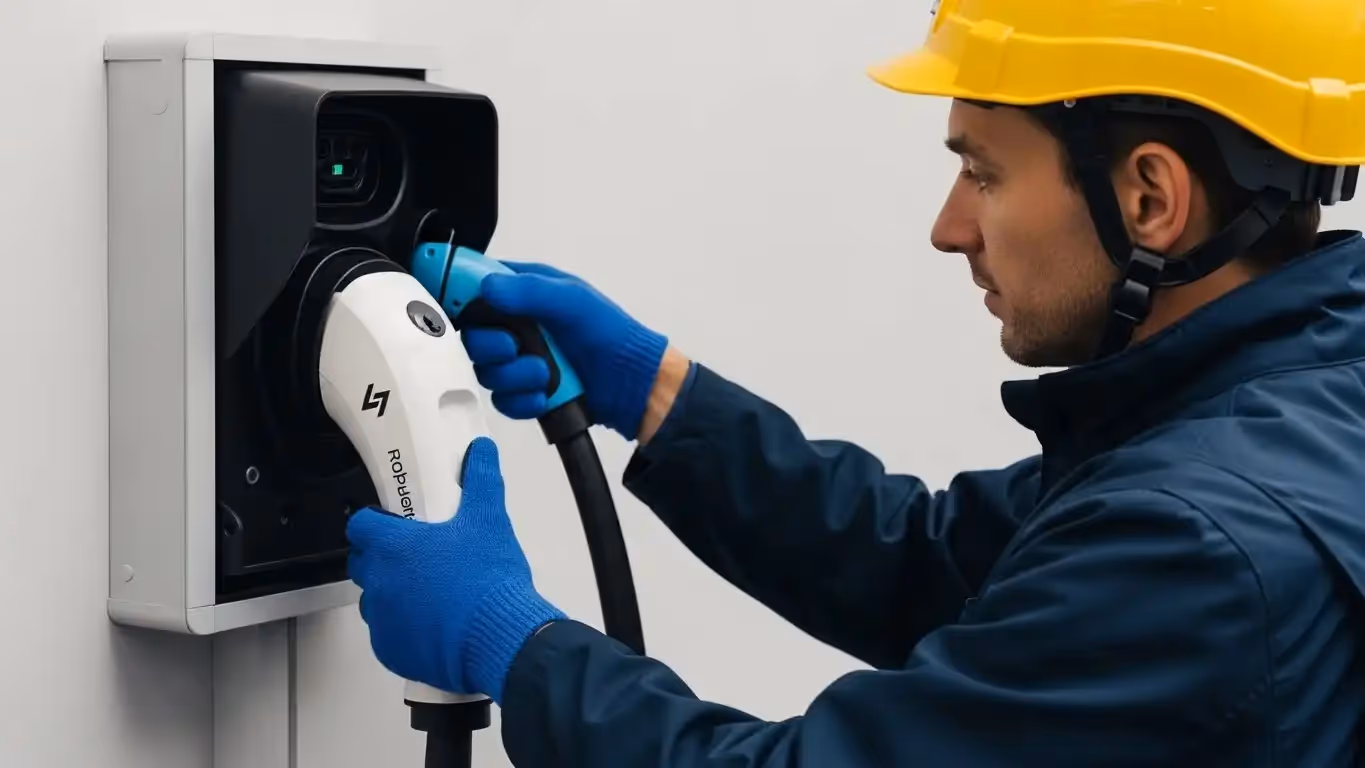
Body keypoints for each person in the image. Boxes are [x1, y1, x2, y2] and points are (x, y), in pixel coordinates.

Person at [344, 1, 1365, 764]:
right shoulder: (1291, 405)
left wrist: (508, 641)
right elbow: (931, 564)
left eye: (984, 172)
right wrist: (649, 389)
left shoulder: (1194, 548)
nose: (948, 228)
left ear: (1149, 200)